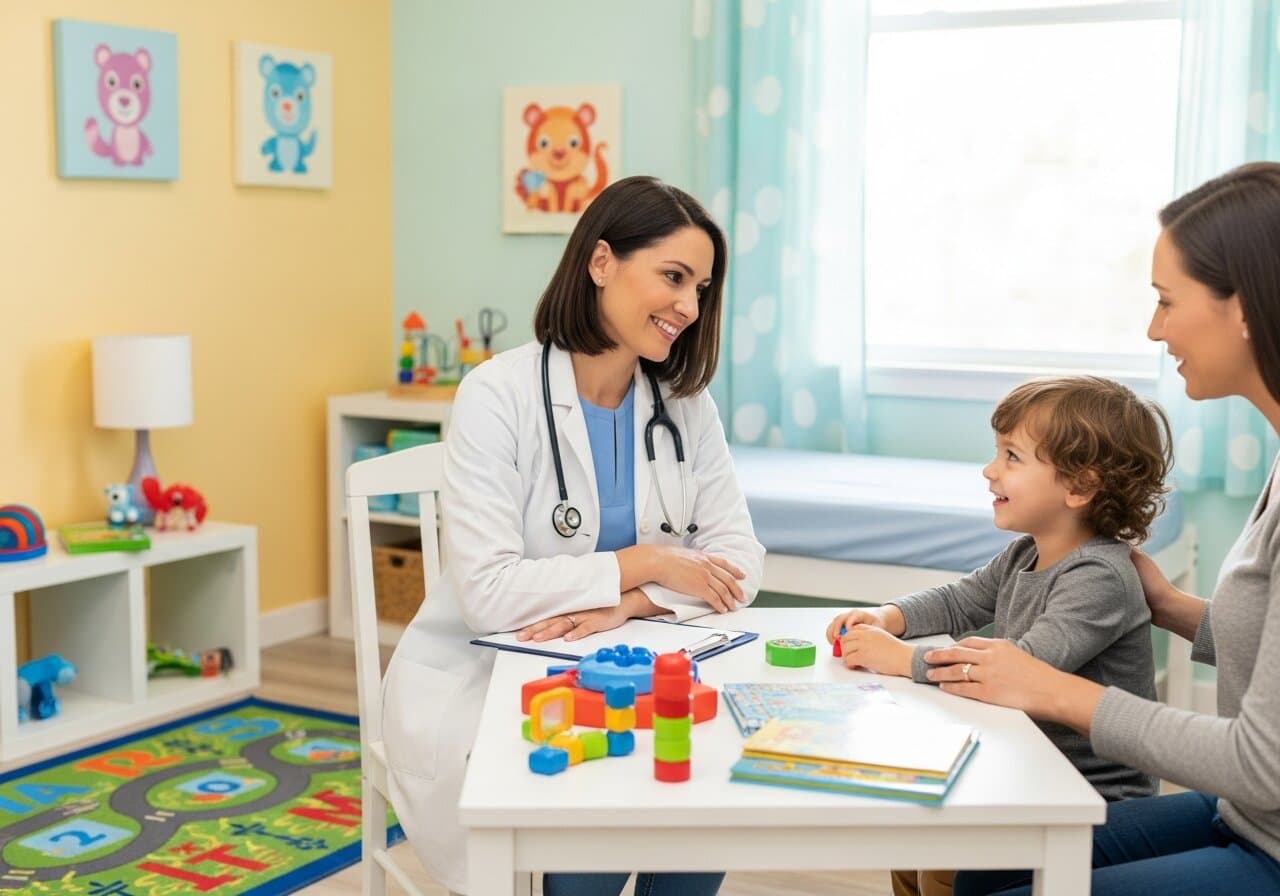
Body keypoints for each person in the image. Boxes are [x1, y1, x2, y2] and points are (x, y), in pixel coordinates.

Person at [380, 175, 765, 896]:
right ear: (601, 262)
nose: (690, 306)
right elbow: (488, 595)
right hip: (496, 675)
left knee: (708, 796)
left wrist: (630, 603)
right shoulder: (498, 395)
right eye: (674, 277)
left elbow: (739, 563)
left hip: (636, 661)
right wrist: (651, 562)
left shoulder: (684, 406)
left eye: (701, 288)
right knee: (595, 811)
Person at [922, 163, 1280, 895]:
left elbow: (1260, 763)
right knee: (977, 876)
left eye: (1167, 300)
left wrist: (1055, 691)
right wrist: (1171, 607)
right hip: (1247, 816)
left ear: (1242, 305)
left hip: (1266, 831)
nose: (1154, 328)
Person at [824, 375, 1171, 896]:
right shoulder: (1025, 552)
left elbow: (1018, 670)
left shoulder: (1098, 578)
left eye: (1012, 456)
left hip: (1088, 794)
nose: (989, 471)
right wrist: (887, 616)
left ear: (1079, 487)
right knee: (910, 844)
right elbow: (960, 600)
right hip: (1028, 763)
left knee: (943, 866)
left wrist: (901, 659)